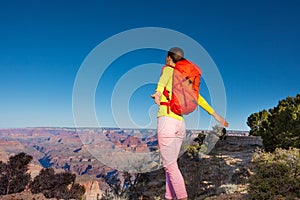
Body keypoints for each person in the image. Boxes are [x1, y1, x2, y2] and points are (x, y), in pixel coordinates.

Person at [151, 47, 228, 200]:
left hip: (167, 120)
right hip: (180, 124)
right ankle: (169, 196)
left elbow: (161, 83)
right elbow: (198, 99)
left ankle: (182, 197)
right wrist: (215, 114)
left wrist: (158, 93)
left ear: (168, 58)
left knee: (170, 166)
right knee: (171, 166)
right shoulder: (185, 79)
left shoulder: (168, 70)